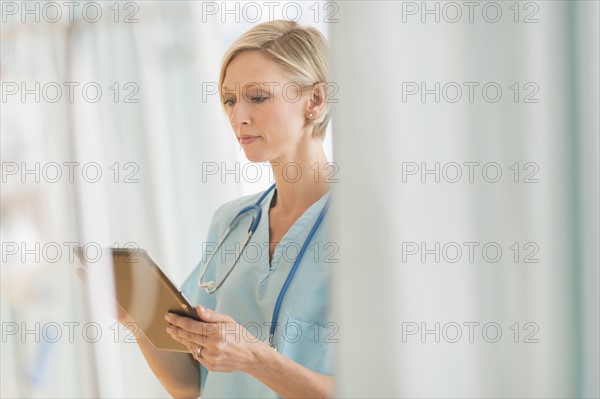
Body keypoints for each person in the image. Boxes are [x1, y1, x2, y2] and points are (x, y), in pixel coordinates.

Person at [122, 20, 335, 398]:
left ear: (315, 101)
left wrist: (253, 357)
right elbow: (191, 386)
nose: (238, 118)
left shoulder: (358, 226)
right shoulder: (232, 223)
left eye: (258, 97)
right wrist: (138, 319)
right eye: (230, 100)